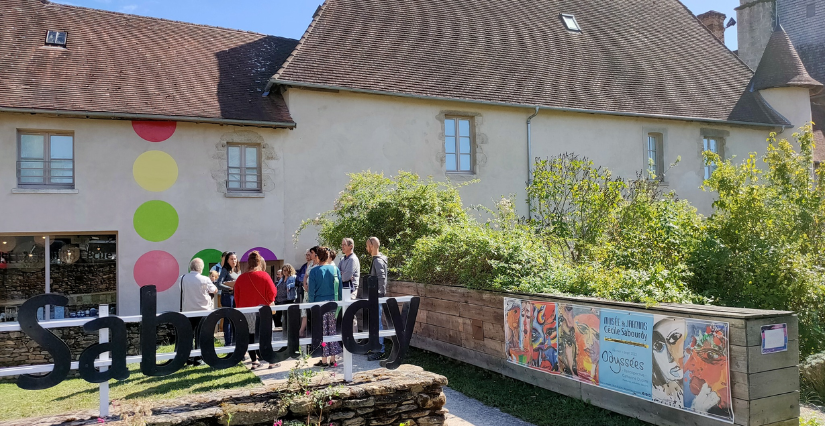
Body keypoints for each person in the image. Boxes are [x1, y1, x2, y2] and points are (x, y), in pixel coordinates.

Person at [233, 251, 277, 370]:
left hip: (246, 311)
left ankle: (254, 361)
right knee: (266, 335)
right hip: (262, 310)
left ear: (248, 263)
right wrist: (269, 301)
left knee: (250, 337)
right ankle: (271, 361)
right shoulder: (264, 276)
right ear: (259, 262)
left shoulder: (241, 278)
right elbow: (272, 293)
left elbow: (236, 296)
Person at [307, 246, 343, 367]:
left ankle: (324, 359)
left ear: (317, 256)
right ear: (327, 256)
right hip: (333, 303)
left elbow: (311, 292)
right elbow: (340, 289)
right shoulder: (335, 270)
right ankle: (333, 358)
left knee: (322, 332)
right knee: (332, 331)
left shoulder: (314, 271)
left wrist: (311, 306)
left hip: (319, 305)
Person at [180, 258, 217, 366]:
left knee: (189, 335)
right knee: (200, 335)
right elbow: (214, 290)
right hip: (203, 311)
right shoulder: (205, 279)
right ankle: (199, 359)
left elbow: (181, 289)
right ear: (201, 268)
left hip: (188, 310)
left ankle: (189, 358)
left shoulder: (182, 278)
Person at [365, 237, 389, 361]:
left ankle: (380, 350)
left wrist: (379, 294)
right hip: (376, 296)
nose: (366, 248)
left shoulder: (378, 261)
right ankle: (375, 347)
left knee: (377, 323)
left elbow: (382, 278)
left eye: (367, 245)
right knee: (375, 323)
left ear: (372, 246)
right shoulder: (379, 259)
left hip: (377, 297)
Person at [215, 252, 241, 346]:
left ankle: (235, 341)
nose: (234, 261)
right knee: (228, 319)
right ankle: (228, 342)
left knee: (236, 319)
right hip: (227, 296)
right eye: (231, 259)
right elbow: (218, 284)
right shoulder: (225, 270)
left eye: (235, 259)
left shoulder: (238, 270)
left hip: (236, 296)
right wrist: (229, 287)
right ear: (227, 260)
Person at [299, 246, 320, 338]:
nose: (309, 255)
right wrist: (305, 284)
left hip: (315, 291)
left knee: (314, 310)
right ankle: (302, 330)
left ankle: (313, 330)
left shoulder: (319, 264)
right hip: (307, 291)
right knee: (305, 310)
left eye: (311, 253)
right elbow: (305, 275)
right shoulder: (310, 264)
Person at [274, 265, 297, 329]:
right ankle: (279, 327)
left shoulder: (292, 277)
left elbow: (296, 283)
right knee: (276, 315)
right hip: (278, 299)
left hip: (287, 299)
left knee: (285, 316)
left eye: (285, 270)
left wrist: (290, 285)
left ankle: (286, 328)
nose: (284, 272)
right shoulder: (282, 278)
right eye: (283, 270)